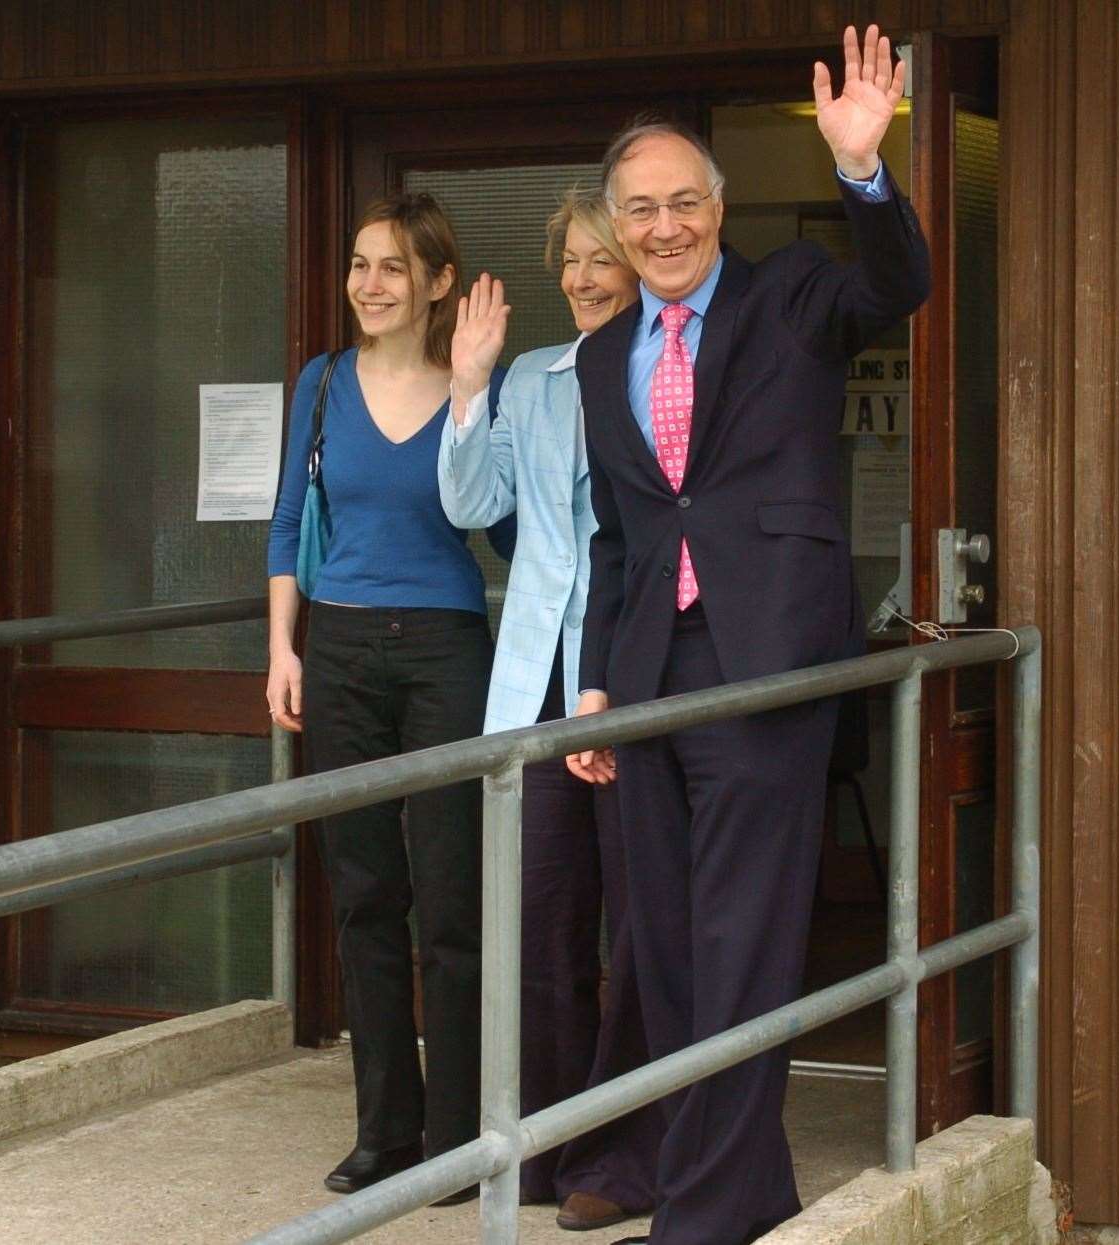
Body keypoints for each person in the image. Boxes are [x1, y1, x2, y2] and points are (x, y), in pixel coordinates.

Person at [563, 26, 930, 1245]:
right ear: (613, 229)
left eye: (683, 204)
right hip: (651, 677)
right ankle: (723, 1171)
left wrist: (862, 169)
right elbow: (620, 536)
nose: (663, 228)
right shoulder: (600, 353)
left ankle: (711, 1211)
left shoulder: (794, 296)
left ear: (716, 210)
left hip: (765, 664)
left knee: (738, 941)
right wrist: (598, 689)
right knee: (661, 943)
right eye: (639, 211)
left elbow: (898, 285)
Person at [265, 190, 510, 1199]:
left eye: (392, 268)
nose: (369, 284)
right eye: (360, 265)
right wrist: (283, 648)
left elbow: (499, 528)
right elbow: (287, 524)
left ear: (437, 284)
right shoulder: (320, 384)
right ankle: (383, 1128)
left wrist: (470, 393)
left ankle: (457, 1135)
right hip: (341, 650)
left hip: (448, 648)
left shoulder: (474, 386)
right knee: (365, 894)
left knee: (451, 901)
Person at [436, 192, 662, 1231]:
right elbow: (474, 506)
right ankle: (541, 1140)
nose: (581, 276)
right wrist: (471, 384)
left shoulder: (669, 372)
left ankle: (621, 1153)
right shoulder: (533, 379)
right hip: (533, 682)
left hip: (628, 682)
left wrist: (606, 684)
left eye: (601, 255)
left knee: (637, 924)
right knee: (541, 923)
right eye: (569, 259)